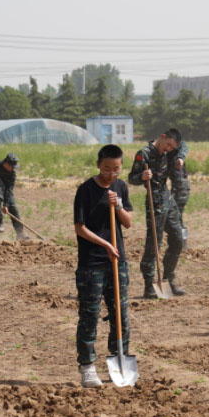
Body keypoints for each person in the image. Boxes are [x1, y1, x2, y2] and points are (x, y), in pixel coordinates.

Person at [73, 144, 133, 388]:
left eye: (116, 169)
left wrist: (118, 205)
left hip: (118, 262)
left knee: (121, 315)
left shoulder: (120, 187)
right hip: (92, 263)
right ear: (98, 164)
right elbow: (80, 228)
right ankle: (87, 367)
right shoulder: (85, 191)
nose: (111, 174)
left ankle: (119, 359)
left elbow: (128, 223)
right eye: (107, 168)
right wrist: (106, 244)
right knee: (90, 315)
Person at [128, 128, 185, 298]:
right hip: (154, 200)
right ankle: (149, 285)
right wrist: (142, 177)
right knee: (154, 243)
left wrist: (181, 157)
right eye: (167, 145)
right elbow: (131, 177)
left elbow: (185, 147)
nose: (168, 149)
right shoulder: (144, 154)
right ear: (162, 137)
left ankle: (168, 279)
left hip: (168, 198)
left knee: (178, 239)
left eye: (172, 147)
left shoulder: (170, 153)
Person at [0, 153, 29, 240]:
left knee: (13, 207)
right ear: (6, 164)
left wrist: (5, 205)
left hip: (5, 190)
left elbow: (9, 190)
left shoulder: (12, 174)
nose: (13, 169)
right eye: (12, 166)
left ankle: (20, 234)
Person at [167, 140, 190, 245]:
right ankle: (181, 240)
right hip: (176, 190)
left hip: (181, 190)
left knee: (177, 217)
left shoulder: (178, 150)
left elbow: (183, 146)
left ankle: (183, 241)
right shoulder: (166, 154)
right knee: (177, 218)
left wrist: (181, 158)